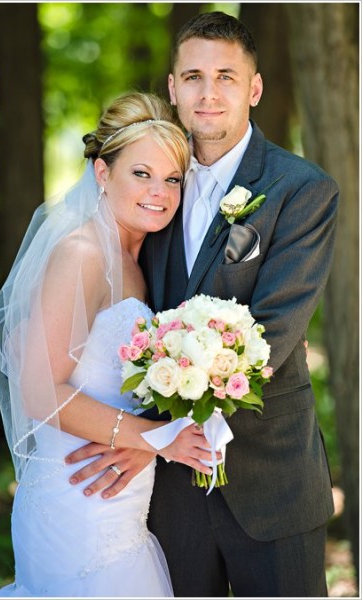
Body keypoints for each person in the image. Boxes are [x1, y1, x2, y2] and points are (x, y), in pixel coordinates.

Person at [65, 12, 338, 597]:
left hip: (272, 482)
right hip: (167, 496)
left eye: (226, 77)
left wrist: (156, 436)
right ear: (172, 88)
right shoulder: (153, 188)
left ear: (254, 89)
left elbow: (270, 334)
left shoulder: (302, 190)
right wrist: (151, 442)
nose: (208, 93)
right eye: (192, 76)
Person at [0, 92, 218, 597]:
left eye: (172, 178)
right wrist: (154, 440)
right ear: (102, 173)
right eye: (141, 173)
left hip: (122, 507)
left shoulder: (143, 259)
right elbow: (40, 392)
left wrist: (149, 442)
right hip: (76, 498)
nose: (159, 191)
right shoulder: (82, 254)